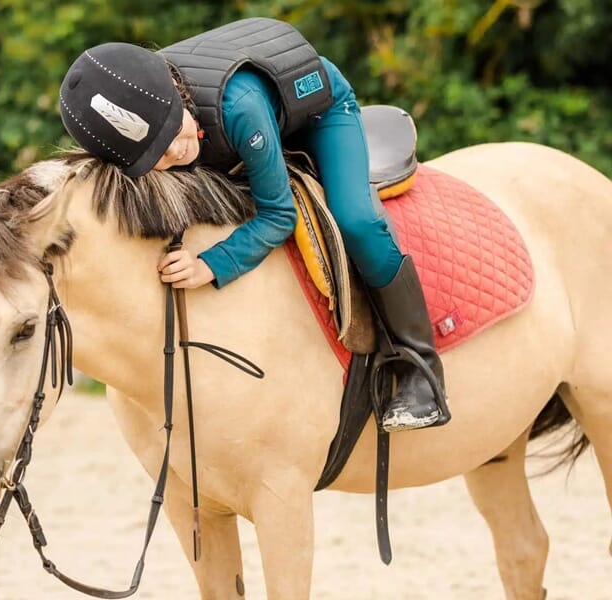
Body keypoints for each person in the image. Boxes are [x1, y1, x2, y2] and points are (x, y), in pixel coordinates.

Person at [58, 18, 446, 432]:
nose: (176, 152)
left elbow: (279, 216)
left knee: (357, 220)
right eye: (155, 156)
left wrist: (212, 264)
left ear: (177, 98)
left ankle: (420, 367)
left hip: (321, 114)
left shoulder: (238, 108)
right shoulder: (155, 114)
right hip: (249, 125)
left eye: (173, 131)